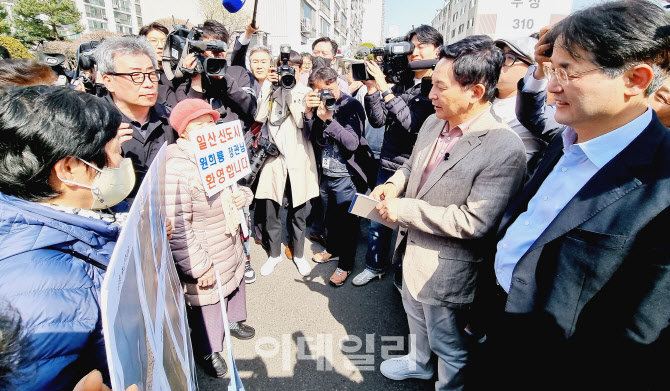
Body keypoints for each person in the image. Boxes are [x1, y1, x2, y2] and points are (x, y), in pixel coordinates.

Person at [488, 1, 670, 390]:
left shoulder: (662, 186)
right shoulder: (567, 138)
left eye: (567, 70)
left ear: (635, 79)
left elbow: (640, 333)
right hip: (501, 326)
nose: (552, 85)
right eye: (551, 69)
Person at [374, 36, 526, 390]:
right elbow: (412, 167)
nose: (431, 95)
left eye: (441, 87)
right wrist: (393, 185)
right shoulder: (432, 123)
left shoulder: (504, 147)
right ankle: (419, 364)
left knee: (449, 344)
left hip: (449, 268)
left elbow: (477, 222)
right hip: (410, 250)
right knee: (415, 320)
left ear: (474, 92)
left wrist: (405, 209)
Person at [0, 86, 135, 390]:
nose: (119, 163)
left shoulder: (49, 223)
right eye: (115, 153)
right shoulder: (36, 295)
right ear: (70, 169)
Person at [165, 99, 255, 378]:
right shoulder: (177, 166)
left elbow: (237, 188)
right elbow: (177, 226)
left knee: (235, 277)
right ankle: (208, 347)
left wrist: (245, 196)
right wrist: (197, 265)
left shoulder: (221, 151)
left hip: (229, 234)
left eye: (211, 122)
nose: (207, 129)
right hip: (205, 245)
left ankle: (234, 321)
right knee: (208, 297)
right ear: (183, 131)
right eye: (198, 124)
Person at [352, 25, 442, 288]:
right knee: (378, 220)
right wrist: (372, 89)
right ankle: (374, 265)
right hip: (388, 162)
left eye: (421, 45)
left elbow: (413, 124)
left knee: (408, 226)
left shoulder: (435, 87)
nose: (414, 51)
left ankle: (405, 277)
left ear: (437, 50)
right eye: (411, 45)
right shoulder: (401, 81)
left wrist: (385, 88)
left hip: (415, 168)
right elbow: (378, 121)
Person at [304, 66, 370, 286]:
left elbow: (351, 142)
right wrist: (309, 114)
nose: (326, 94)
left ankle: (346, 265)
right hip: (327, 171)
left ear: (335, 82)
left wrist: (330, 119)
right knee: (330, 218)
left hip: (347, 175)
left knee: (348, 224)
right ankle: (331, 250)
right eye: (320, 90)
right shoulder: (318, 107)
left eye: (328, 88)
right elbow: (310, 137)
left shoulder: (352, 105)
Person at [254, 56, 319, 278]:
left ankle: (299, 254)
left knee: (299, 210)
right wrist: (268, 88)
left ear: (300, 70)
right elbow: (260, 116)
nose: (289, 74)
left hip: (299, 159)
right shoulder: (271, 89)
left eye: (294, 69)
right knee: (272, 210)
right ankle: (274, 254)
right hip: (275, 160)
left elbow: (302, 122)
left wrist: (289, 91)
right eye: (285, 70)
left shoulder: (305, 92)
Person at [95, 36, 177, 205]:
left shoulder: (171, 118)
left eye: (151, 74)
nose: (148, 83)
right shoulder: (93, 124)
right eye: (136, 75)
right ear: (109, 81)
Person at [169, 20, 258, 132]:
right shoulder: (188, 79)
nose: (218, 52)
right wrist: (196, 79)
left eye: (222, 46)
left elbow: (252, 109)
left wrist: (225, 78)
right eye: (211, 46)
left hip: (238, 144)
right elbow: (188, 120)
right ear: (199, 49)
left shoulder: (238, 72)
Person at [492, 36, 545, 171]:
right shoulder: (481, 98)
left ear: (534, 69)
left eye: (510, 57)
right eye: (500, 54)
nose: (501, 61)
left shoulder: (531, 116)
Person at [138, 22, 175, 107]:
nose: (161, 46)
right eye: (153, 41)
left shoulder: (174, 74)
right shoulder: (137, 76)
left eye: (164, 41)